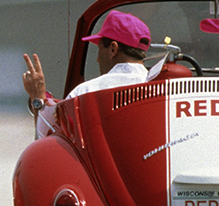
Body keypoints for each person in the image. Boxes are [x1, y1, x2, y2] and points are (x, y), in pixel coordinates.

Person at [21, 10, 161, 137]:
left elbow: (48, 140)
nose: (97, 59)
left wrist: (37, 96)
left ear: (113, 49)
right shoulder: (161, 90)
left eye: (99, 49)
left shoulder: (85, 92)